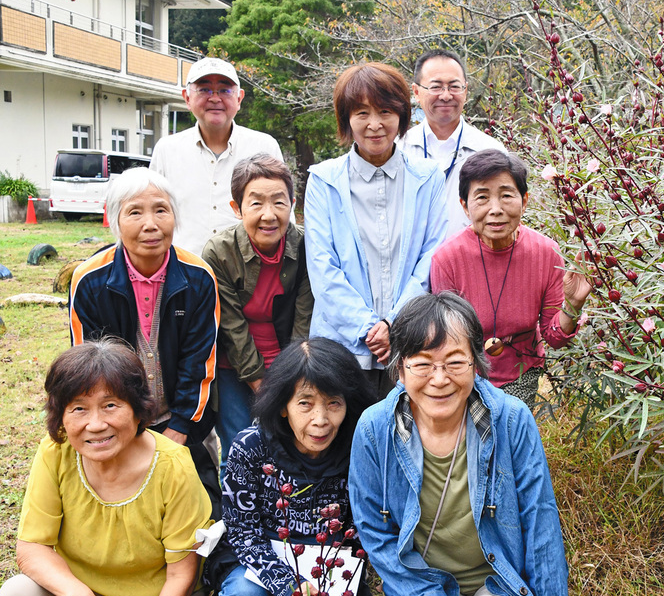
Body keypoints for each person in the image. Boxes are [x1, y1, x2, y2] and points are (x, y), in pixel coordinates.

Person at [349, 292, 575, 596]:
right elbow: (372, 529)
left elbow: (540, 527)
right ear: (399, 368)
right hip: (424, 579)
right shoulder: (374, 429)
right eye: (422, 364)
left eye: (455, 362)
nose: (439, 379)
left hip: (498, 575)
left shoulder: (512, 420)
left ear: (476, 363)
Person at [0, 339, 213, 596]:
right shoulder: (55, 453)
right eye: (78, 409)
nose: (96, 424)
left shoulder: (174, 466)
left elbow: (181, 575)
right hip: (79, 586)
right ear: (61, 416)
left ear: (138, 409)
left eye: (110, 405)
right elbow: (32, 548)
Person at [69, 167, 222, 518]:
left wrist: (179, 429)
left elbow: (200, 362)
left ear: (174, 217)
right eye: (135, 212)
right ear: (115, 221)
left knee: (203, 514)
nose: (150, 224)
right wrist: (124, 432)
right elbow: (89, 367)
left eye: (161, 210)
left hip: (185, 419)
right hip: (115, 421)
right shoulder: (89, 280)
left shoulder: (199, 277)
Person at [213, 338, 376, 596]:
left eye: (333, 403)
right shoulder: (250, 447)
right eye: (305, 403)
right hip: (262, 555)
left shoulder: (360, 448)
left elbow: (362, 528)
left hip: (329, 562)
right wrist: (291, 589)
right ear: (283, 406)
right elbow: (243, 532)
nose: (320, 420)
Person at [304, 62, 447, 398]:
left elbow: (433, 257)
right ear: (346, 118)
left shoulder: (428, 177)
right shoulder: (324, 180)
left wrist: (394, 324)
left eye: (385, 111)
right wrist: (370, 328)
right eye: (361, 112)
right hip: (341, 346)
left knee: (408, 438)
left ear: (401, 115)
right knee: (341, 443)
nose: (374, 124)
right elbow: (323, 269)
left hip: (412, 342)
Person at [430, 150, 592, 406]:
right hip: (463, 376)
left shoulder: (546, 253)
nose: (496, 209)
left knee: (511, 436)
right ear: (464, 206)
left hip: (521, 372)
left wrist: (572, 305)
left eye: (506, 196)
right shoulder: (447, 259)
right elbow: (446, 340)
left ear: (524, 201)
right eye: (482, 197)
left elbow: (555, 337)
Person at [202, 154, 314, 477]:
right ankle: (237, 524)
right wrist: (260, 383)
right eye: (256, 204)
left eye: (279, 203)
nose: (269, 215)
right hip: (235, 366)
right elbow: (231, 328)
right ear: (237, 208)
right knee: (239, 447)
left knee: (290, 445)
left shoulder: (306, 245)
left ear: (292, 203)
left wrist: (290, 377)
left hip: (288, 360)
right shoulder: (219, 252)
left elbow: (303, 320)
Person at [150, 57, 283, 255]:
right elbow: (152, 212)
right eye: (204, 90)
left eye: (225, 90)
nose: (214, 98)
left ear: (239, 98)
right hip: (185, 271)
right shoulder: (167, 150)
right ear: (187, 97)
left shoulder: (264, 146)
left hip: (247, 274)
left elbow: (282, 214)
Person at [400, 49, 507, 237]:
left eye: (454, 86)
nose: (446, 95)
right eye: (436, 87)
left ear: (465, 91)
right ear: (416, 92)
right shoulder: (398, 150)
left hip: (472, 263)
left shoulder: (490, 151)